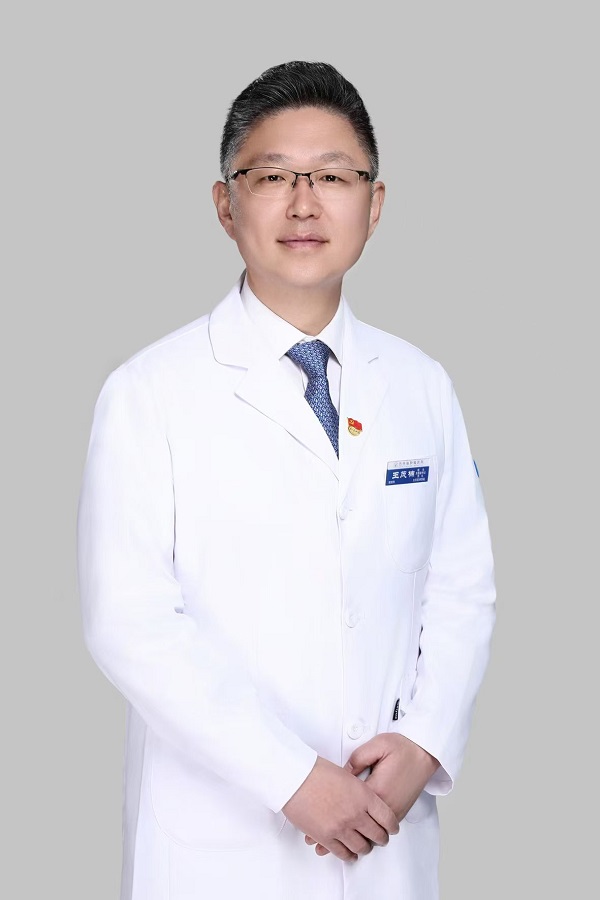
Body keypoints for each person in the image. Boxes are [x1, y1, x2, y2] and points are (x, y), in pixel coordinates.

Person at [77, 60, 496, 900]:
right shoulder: (148, 392)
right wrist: (291, 778)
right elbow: (128, 622)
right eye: (272, 177)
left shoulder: (421, 385)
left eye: (334, 177)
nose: (305, 204)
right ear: (224, 204)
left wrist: (425, 743)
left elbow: (462, 587)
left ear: (375, 204)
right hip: (218, 845)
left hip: (386, 833)